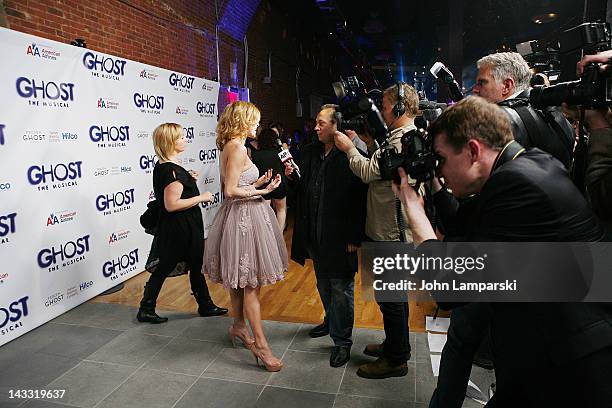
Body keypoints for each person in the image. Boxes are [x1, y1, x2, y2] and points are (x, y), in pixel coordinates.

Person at [394, 96, 612, 407]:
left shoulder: (516, 183)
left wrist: (412, 207)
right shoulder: (529, 164)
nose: (438, 169)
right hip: (550, 353)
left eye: (440, 160)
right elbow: (463, 222)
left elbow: (447, 286)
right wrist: (435, 184)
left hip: (572, 368)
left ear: (472, 150)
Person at [334, 82, 419, 379]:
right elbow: (382, 166)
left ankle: (396, 359)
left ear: (398, 107)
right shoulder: (397, 138)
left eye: (383, 106)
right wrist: (368, 145)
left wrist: (349, 150)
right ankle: (395, 345)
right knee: (389, 298)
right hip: (385, 229)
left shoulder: (402, 139)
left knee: (392, 299)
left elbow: (370, 172)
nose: (380, 112)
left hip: (391, 234)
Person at [203, 101, 288, 372]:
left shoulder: (231, 146)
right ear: (242, 121)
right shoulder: (238, 147)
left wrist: (259, 183)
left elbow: (238, 183)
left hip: (240, 217)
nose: (257, 126)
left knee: (241, 281)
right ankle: (261, 346)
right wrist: (262, 193)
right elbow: (230, 190)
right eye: (254, 121)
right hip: (244, 218)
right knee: (250, 284)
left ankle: (239, 326)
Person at [287, 104, 367, 368]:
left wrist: (356, 235)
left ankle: (342, 342)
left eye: (322, 123)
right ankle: (331, 322)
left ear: (337, 125)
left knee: (341, 288)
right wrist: (292, 177)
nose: (316, 127)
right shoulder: (310, 151)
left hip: (341, 235)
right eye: (317, 123)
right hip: (315, 235)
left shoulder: (350, 153)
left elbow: (360, 196)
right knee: (323, 284)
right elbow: (302, 187)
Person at [137, 123, 227, 324]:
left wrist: (188, 178)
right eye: (180, 138)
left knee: (194, 265)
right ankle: (147, 307)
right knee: (169, 265)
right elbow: (171, 204)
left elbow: (175, 190)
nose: (185, 140)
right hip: (180, 229)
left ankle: (204, 305)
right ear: (170, 142)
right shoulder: (171, 171)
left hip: (182, 227)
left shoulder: (166, 167)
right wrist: (201, 197)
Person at [473, 52, 574, 168]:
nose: (475, 90)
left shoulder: (497, 120)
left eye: (481, 83)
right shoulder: (556, 115)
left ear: (507, 85)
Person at [247, 128, 288, 231]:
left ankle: (267, 237)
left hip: (263, 184)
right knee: (281, 210)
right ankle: (279, 235)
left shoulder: (255, 153)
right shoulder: (280, 150)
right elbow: (289, 163)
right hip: (278, 183)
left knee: (264, 214)